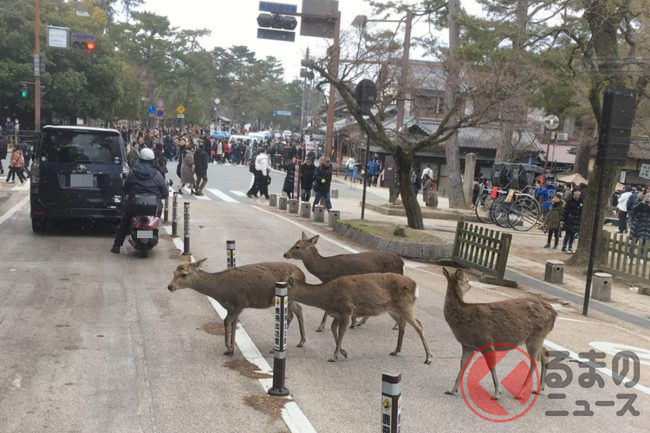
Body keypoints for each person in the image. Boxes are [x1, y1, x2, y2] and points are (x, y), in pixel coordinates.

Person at [111, 148, 168, 254]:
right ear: (152, 160)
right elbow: (165, 193)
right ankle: (154, 233)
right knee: (157, 215)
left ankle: (117, 245)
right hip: (153, 207)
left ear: (140, 159)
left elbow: (126, 189)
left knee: (125, 221)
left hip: (135, 206)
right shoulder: (158, 175)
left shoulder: (133, 173)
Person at [629, 193, 650, 263]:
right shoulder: (639, 200)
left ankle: (642, 257)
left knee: (644, 242)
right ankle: (630, 257)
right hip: (637, 224)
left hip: (647, 225)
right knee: (634, 241)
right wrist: (643, 202)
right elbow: (634, 209)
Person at [561, 188, 583, 253]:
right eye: (575, 191)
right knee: (568, 234)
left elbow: (582, 212)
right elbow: (565, 211)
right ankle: (564, 246)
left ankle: (570, 247)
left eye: (578, 191)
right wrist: (562, 220)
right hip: (569, 220)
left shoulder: (581, 201)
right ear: (573, 192)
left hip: (577, 220)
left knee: (573, 235)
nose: (577, 193)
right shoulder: (570, 201)